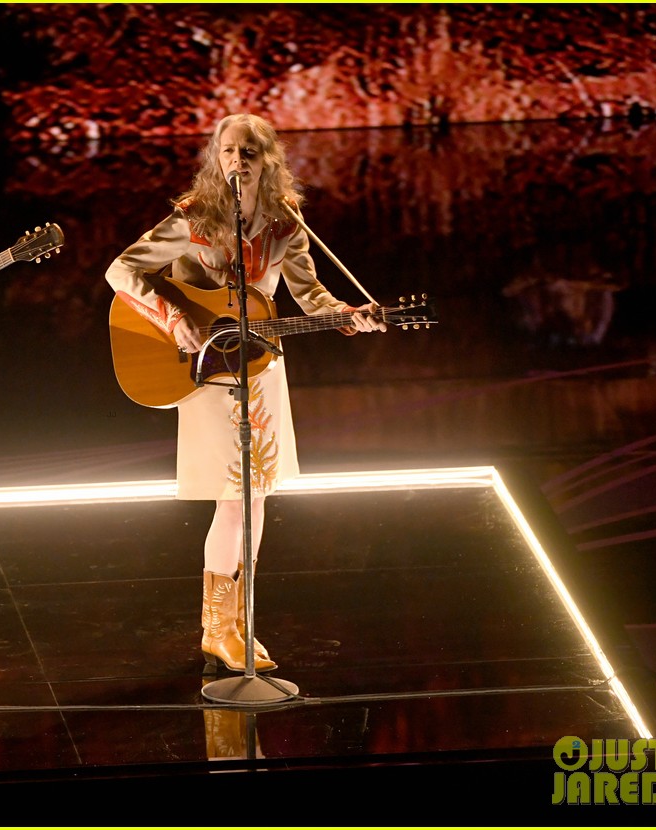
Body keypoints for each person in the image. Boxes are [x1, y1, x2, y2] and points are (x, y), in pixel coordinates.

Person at [105, 113, 385, 673]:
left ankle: (236, 623)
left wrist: (348, 317)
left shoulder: (286, 223)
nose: (238, 162)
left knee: (257, 501)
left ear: (269, 160)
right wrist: (173, 317)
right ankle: (216, 629)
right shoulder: (194, 218)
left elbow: (311, 295)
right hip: (207, 371)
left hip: (260, 367)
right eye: (229, 151)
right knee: (234, 501)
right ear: (216, 157)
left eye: (250, 152)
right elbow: (121, 270)